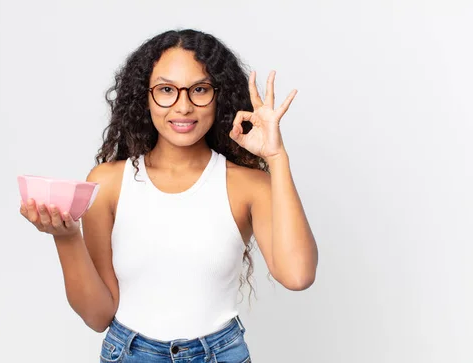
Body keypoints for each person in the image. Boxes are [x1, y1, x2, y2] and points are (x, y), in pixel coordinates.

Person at [20, 29, 318, 363]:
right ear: (144, 97)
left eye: (200, 90)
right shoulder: (109, 182)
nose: (184, 106)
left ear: (219, 96)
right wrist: (66, 237)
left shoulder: (248, 185)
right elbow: (98, 316)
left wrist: (277, 159)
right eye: (166, 90)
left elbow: (298, 275)